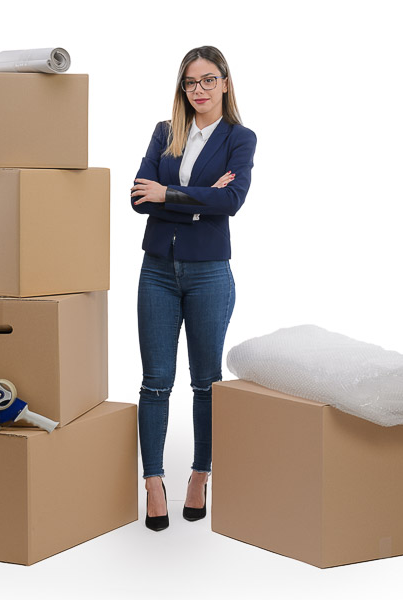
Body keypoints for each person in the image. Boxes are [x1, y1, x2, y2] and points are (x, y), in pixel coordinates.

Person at [130, 45, 257, 532]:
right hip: (157, 270)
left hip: (209, 273)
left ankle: (200, 475)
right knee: (155, 382)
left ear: (225, 82)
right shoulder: (166, 132)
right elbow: (139, 198)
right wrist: (200, 201)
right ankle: (153, 482)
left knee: (206, 382)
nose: (198, 90)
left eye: (207, 80)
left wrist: (169, 194)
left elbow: (232, 201)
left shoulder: (239, 138)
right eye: (190, 82)